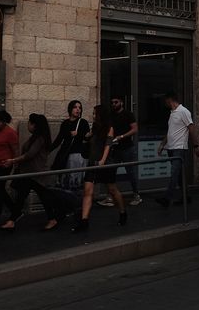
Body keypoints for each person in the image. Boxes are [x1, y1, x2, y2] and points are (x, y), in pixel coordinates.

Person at [72, 105, 126, 233]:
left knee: (112, 189)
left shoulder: (109, 128)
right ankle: (84, 220)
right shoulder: (95, 127)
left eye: (95, 114)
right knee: (87, 190)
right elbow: (89, 139)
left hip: (105, 163)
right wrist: (86, 136)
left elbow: (108, 145)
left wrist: (102, 160)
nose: (93, 116)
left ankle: (123, 212)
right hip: (92, 162)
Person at [0, 114, 53, 230]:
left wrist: (13, 160)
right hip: (29, 173)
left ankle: (53, 219)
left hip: (37, 174)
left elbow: (30, 155)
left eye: (30, 123)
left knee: (44, 198)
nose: (28, 125)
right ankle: (12, 220)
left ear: (34, 125)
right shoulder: (34, 138)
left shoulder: (40, 139)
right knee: (21, 197)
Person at [156, 93, 199, 207]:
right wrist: (163, 144)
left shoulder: (183, 111)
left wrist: (196, 146)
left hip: (179, 149)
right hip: (171, 148)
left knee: (174, 173)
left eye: (165, 101)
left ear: (170, 100)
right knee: (180, 175)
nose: (165, 104)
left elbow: (191, 128)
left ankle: (167, 198)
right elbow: (170, 131)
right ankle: (186, 197)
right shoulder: (172, 113)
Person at [98, 97, 142, 207]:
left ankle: (136, 195)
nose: (114, 104)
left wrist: (122, 136)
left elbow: (135, 129)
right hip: (115, 149)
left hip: (127, 148)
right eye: (112, 102)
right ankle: (110, 197)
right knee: (111, 173)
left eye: (116, 102)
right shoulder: (111, 115)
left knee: (130, 172)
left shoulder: (128, 114)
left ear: (121, 102)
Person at [50, 100, 89, 194]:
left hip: (76, 154)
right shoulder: (65, 123)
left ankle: (75, 201)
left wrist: (78, 134)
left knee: (74, 179)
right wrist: (48, 149)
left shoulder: (83, 122)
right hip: (65, 153)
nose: (78, 109)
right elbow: (59, 139)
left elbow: (87, 137)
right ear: (70, 109)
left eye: (79, 108)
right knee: (64, 179)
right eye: (75, 107)